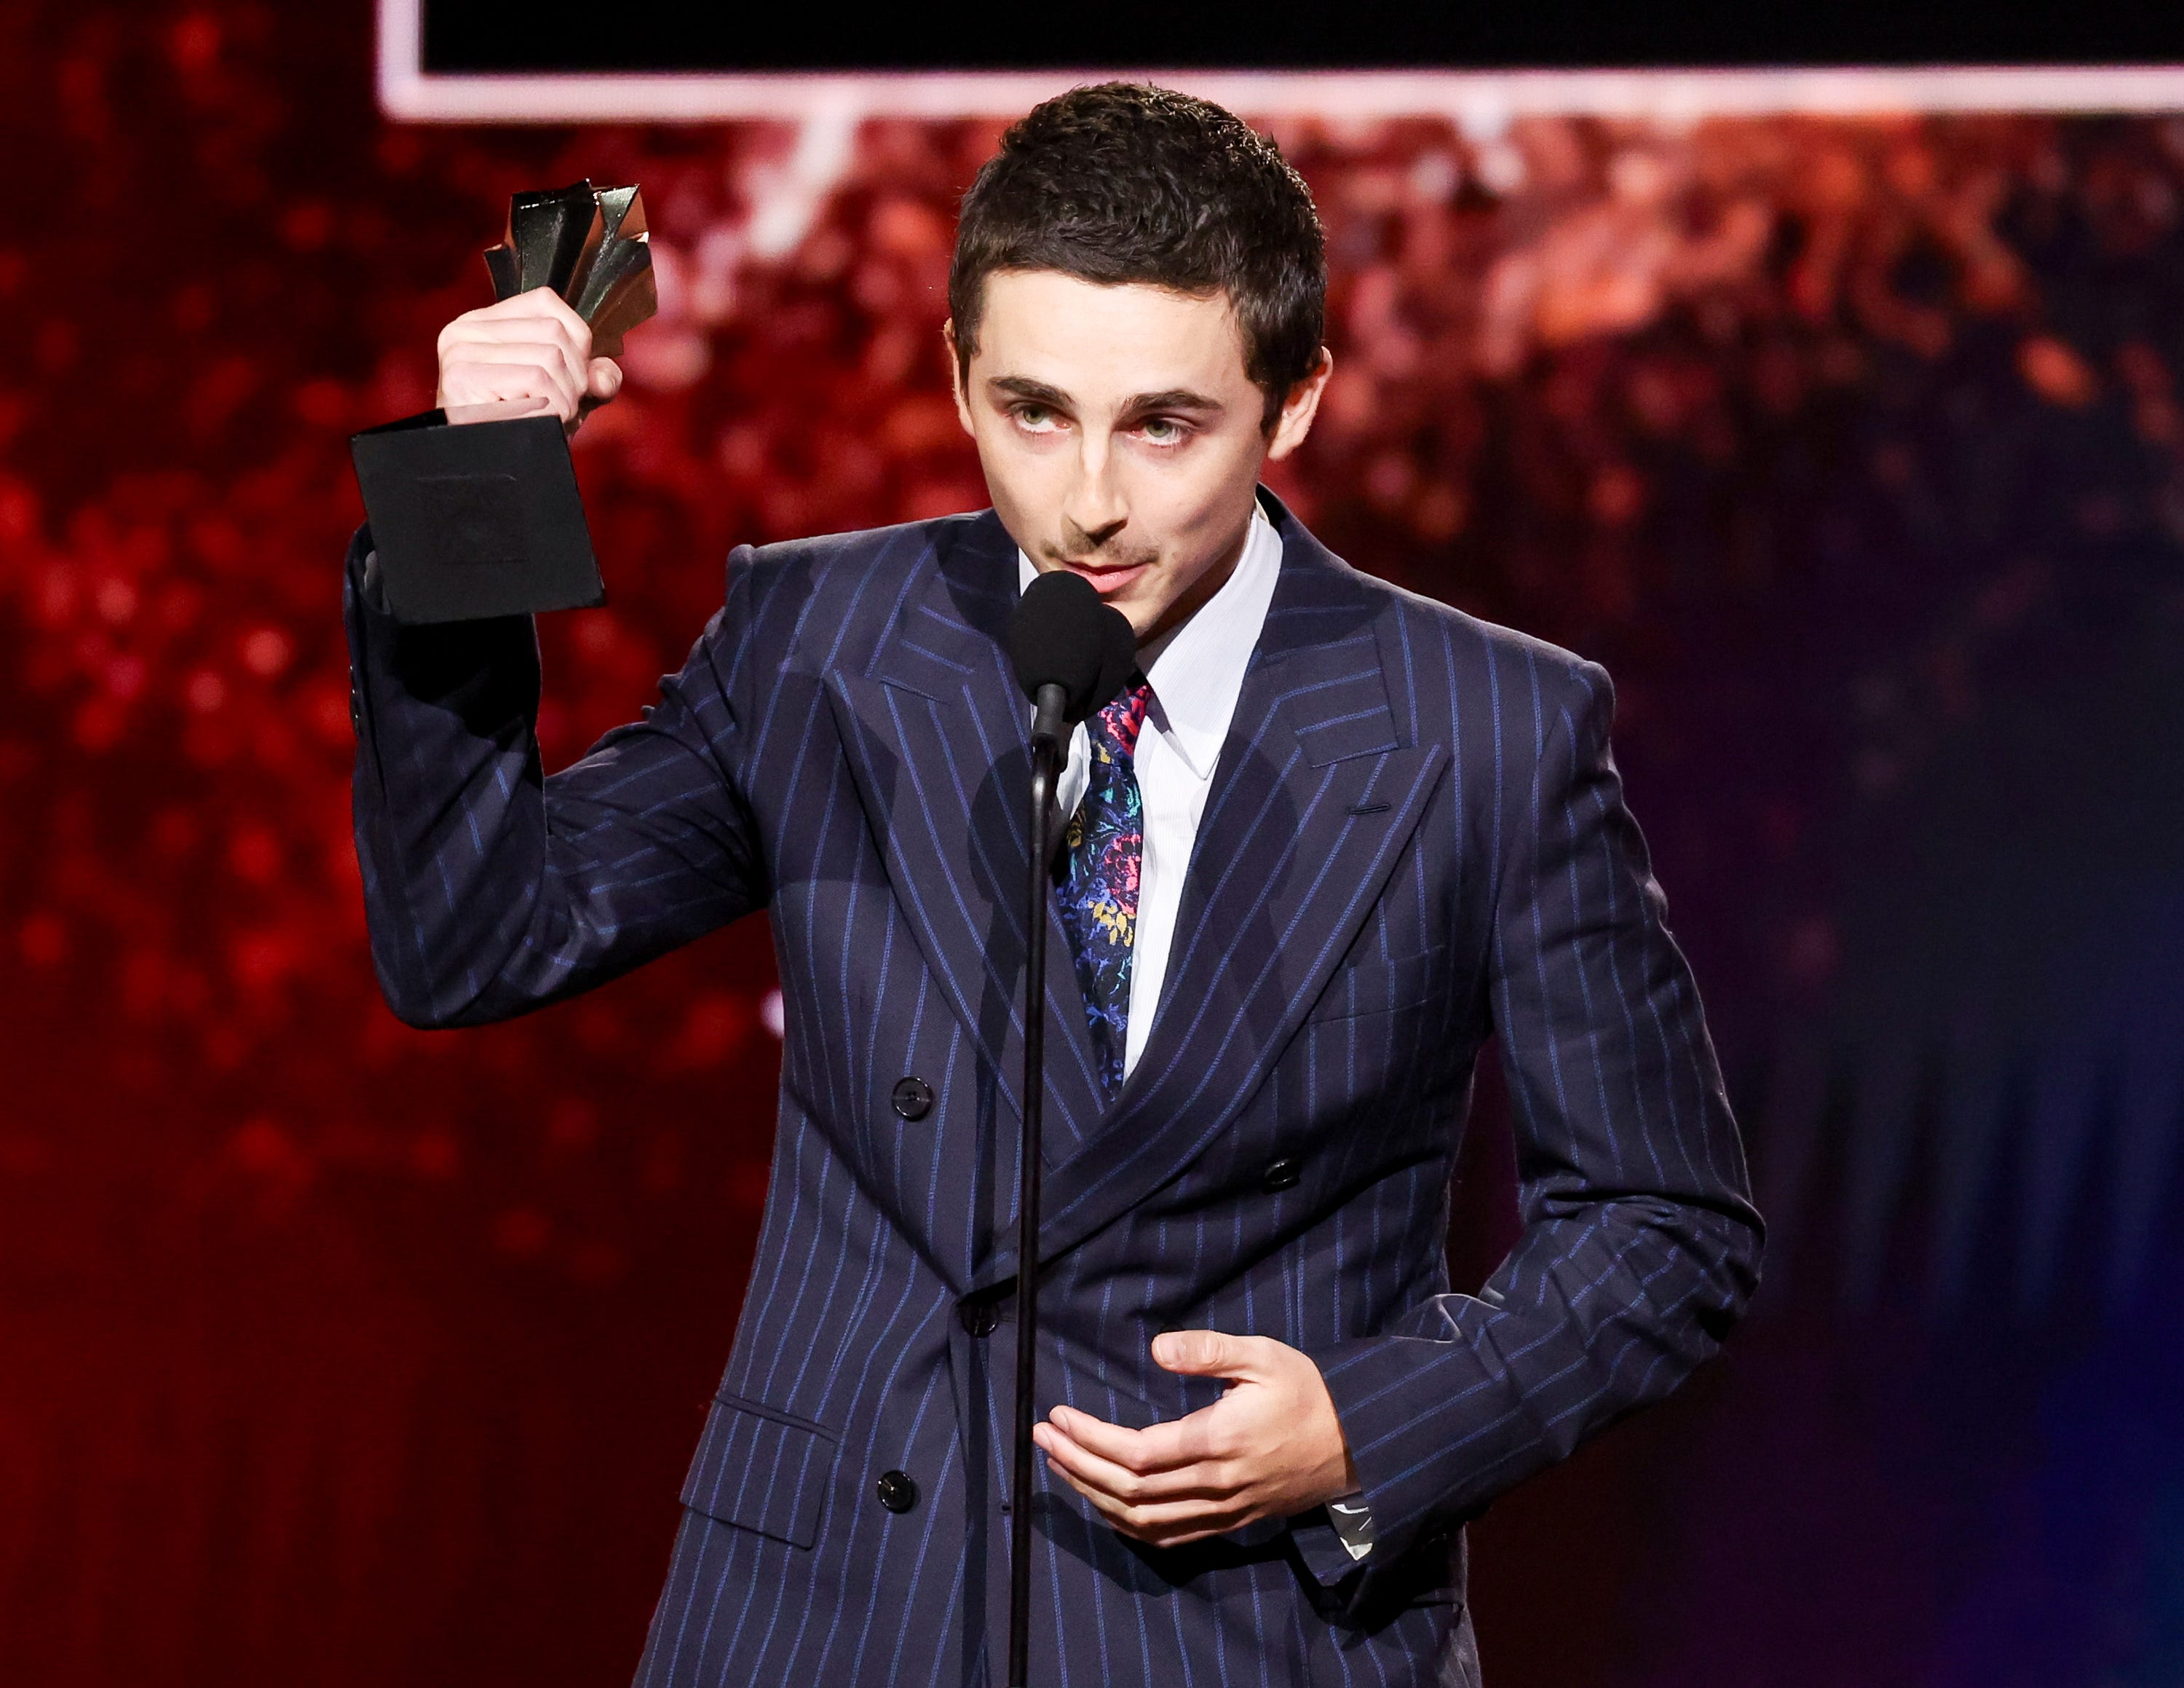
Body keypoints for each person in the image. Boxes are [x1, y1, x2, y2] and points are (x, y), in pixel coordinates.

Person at [346, 82, 1762, 1687]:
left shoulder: (1485, 728)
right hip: (829, 1618)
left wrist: (1367, 1424)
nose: (1089, 501)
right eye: (1032, 412)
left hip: (1242, 1629)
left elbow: (1664, 1225)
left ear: (1295, 398)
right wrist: (467, 502)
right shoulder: (821, 643)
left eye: (1163, 424)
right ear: (959, 374)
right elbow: (477, 941)